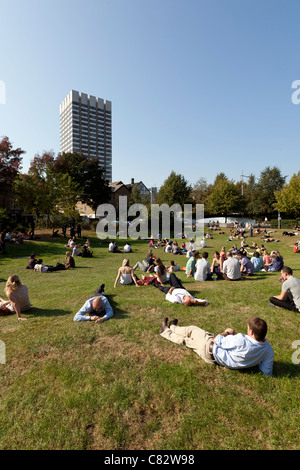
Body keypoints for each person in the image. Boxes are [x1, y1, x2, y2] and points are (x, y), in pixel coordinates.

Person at [159, 316, 273, 376]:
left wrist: (228, 332)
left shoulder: (241, 340)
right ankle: (172, 328)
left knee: (191, 331)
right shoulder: (268, 349)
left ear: (251, 332)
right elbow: (267, 371)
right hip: (214, 358)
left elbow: (217, 339)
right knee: (188, 340)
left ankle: (168, 330)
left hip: (209, 348)